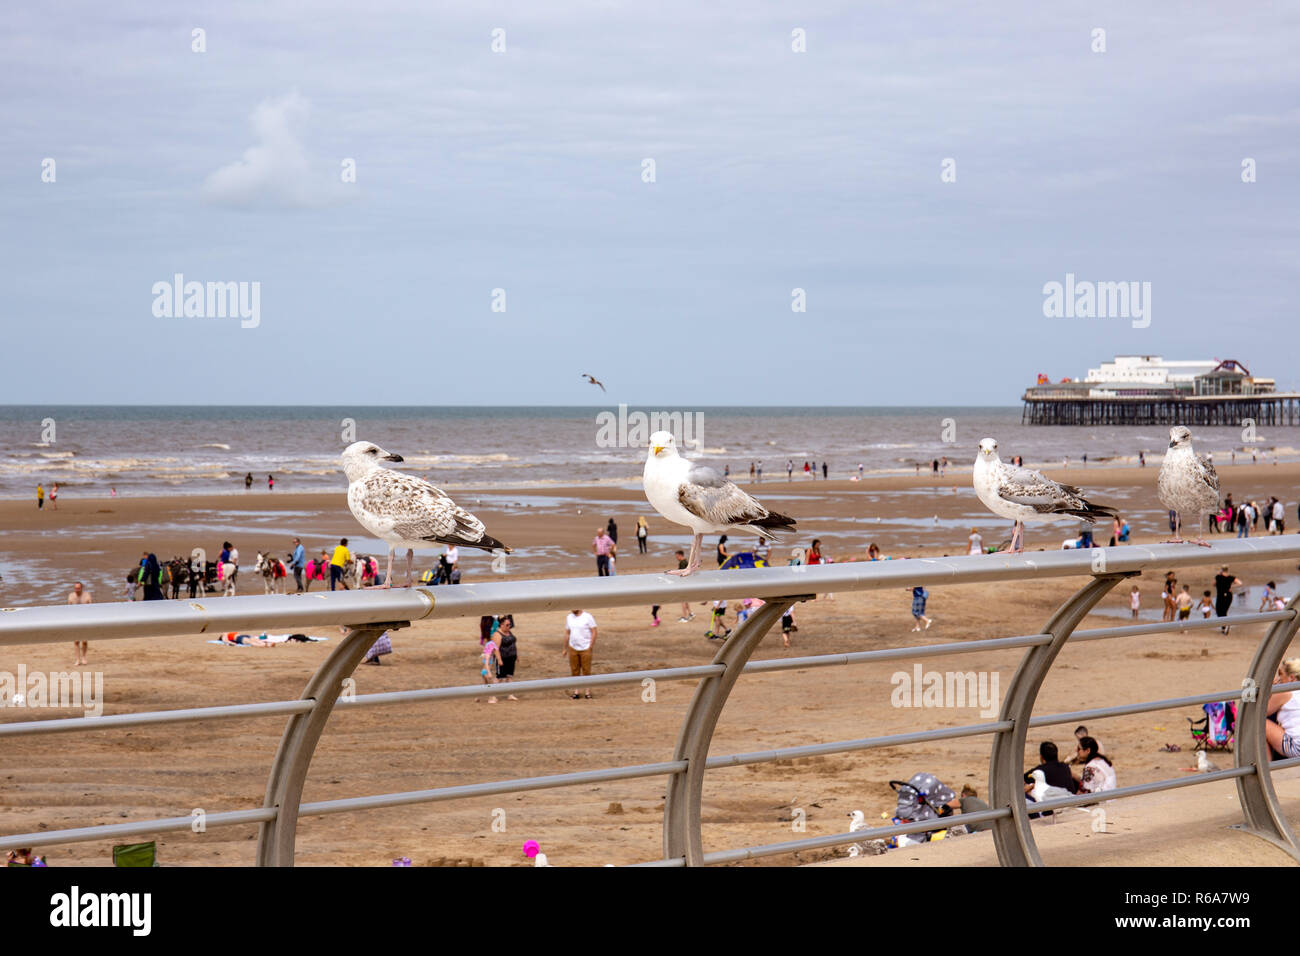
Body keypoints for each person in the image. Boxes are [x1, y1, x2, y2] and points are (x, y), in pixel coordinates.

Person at [1266, 659, 1300, 758]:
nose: (1278, 678)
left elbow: (1261, 712)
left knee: (1260, 724)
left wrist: (1271, 690)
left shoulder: (1285, 693)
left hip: (1297, 748)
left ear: (1291, 678)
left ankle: (1265, 767)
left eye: (1280, 674)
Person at [563, 609, 597, 698]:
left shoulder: (587, 616)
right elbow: (567, 633)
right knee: (575, 670)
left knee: (586, 670)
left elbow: (594, 631)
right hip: (573, 647)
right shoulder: (569, 617)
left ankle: (587, 692)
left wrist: (591, 646)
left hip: (585, 647)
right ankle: (576, 691)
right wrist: (565, 648)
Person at [68, 581, 92, 665]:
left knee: (84, 641)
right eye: (75, 588)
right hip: (75, 620)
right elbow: (68, 609)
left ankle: (84, 657)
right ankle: (77, 659)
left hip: (85, 619)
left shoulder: (87, 595)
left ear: (81, 588)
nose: (77, 589)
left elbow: (92, 607)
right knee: (76, 641)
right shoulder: (71, 596)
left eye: (78, 588)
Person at [494, 617, 519, 698]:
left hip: (511, 658)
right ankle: (492, 695)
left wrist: (517, 655)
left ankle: (510, 694)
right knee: (499, 678)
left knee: (509, 676)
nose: (509, 626)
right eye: (507, 625)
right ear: (501, 625)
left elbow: (513, 644)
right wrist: (499, 660)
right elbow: (496, 649)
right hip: (502, 658)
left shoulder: (509, 632)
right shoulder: (497, 635)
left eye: (510, 625)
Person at [1214, 566, 1241, 633]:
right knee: (1224, 611)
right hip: (1228, 595)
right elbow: (1240, 583)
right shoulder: (1230, 577)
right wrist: (1231, 586)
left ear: (1221, 570)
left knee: (1219, 611)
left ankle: (1224, 627)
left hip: (1220, 596)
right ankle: (1225, 626)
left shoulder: (1218, 577)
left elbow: (1214, 584)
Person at [479, 633, 504, 704]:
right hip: (486, 671)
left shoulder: (489, 653)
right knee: (491, 686)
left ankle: (477, 697)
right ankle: (491, 698)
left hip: (483, 671)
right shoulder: (488, 655)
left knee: (484, 686)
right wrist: (489, 673)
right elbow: (486, 663)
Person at [674, 551, 694, 622]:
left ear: (680, 555)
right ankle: (690, 613)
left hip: (684, 584)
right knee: (685, 600)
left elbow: (682, 574)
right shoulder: (685, 562)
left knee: (683, 600)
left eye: (676, 556)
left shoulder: (683, 563)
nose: (676, 557)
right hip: (686, 584)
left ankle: (684, 617)